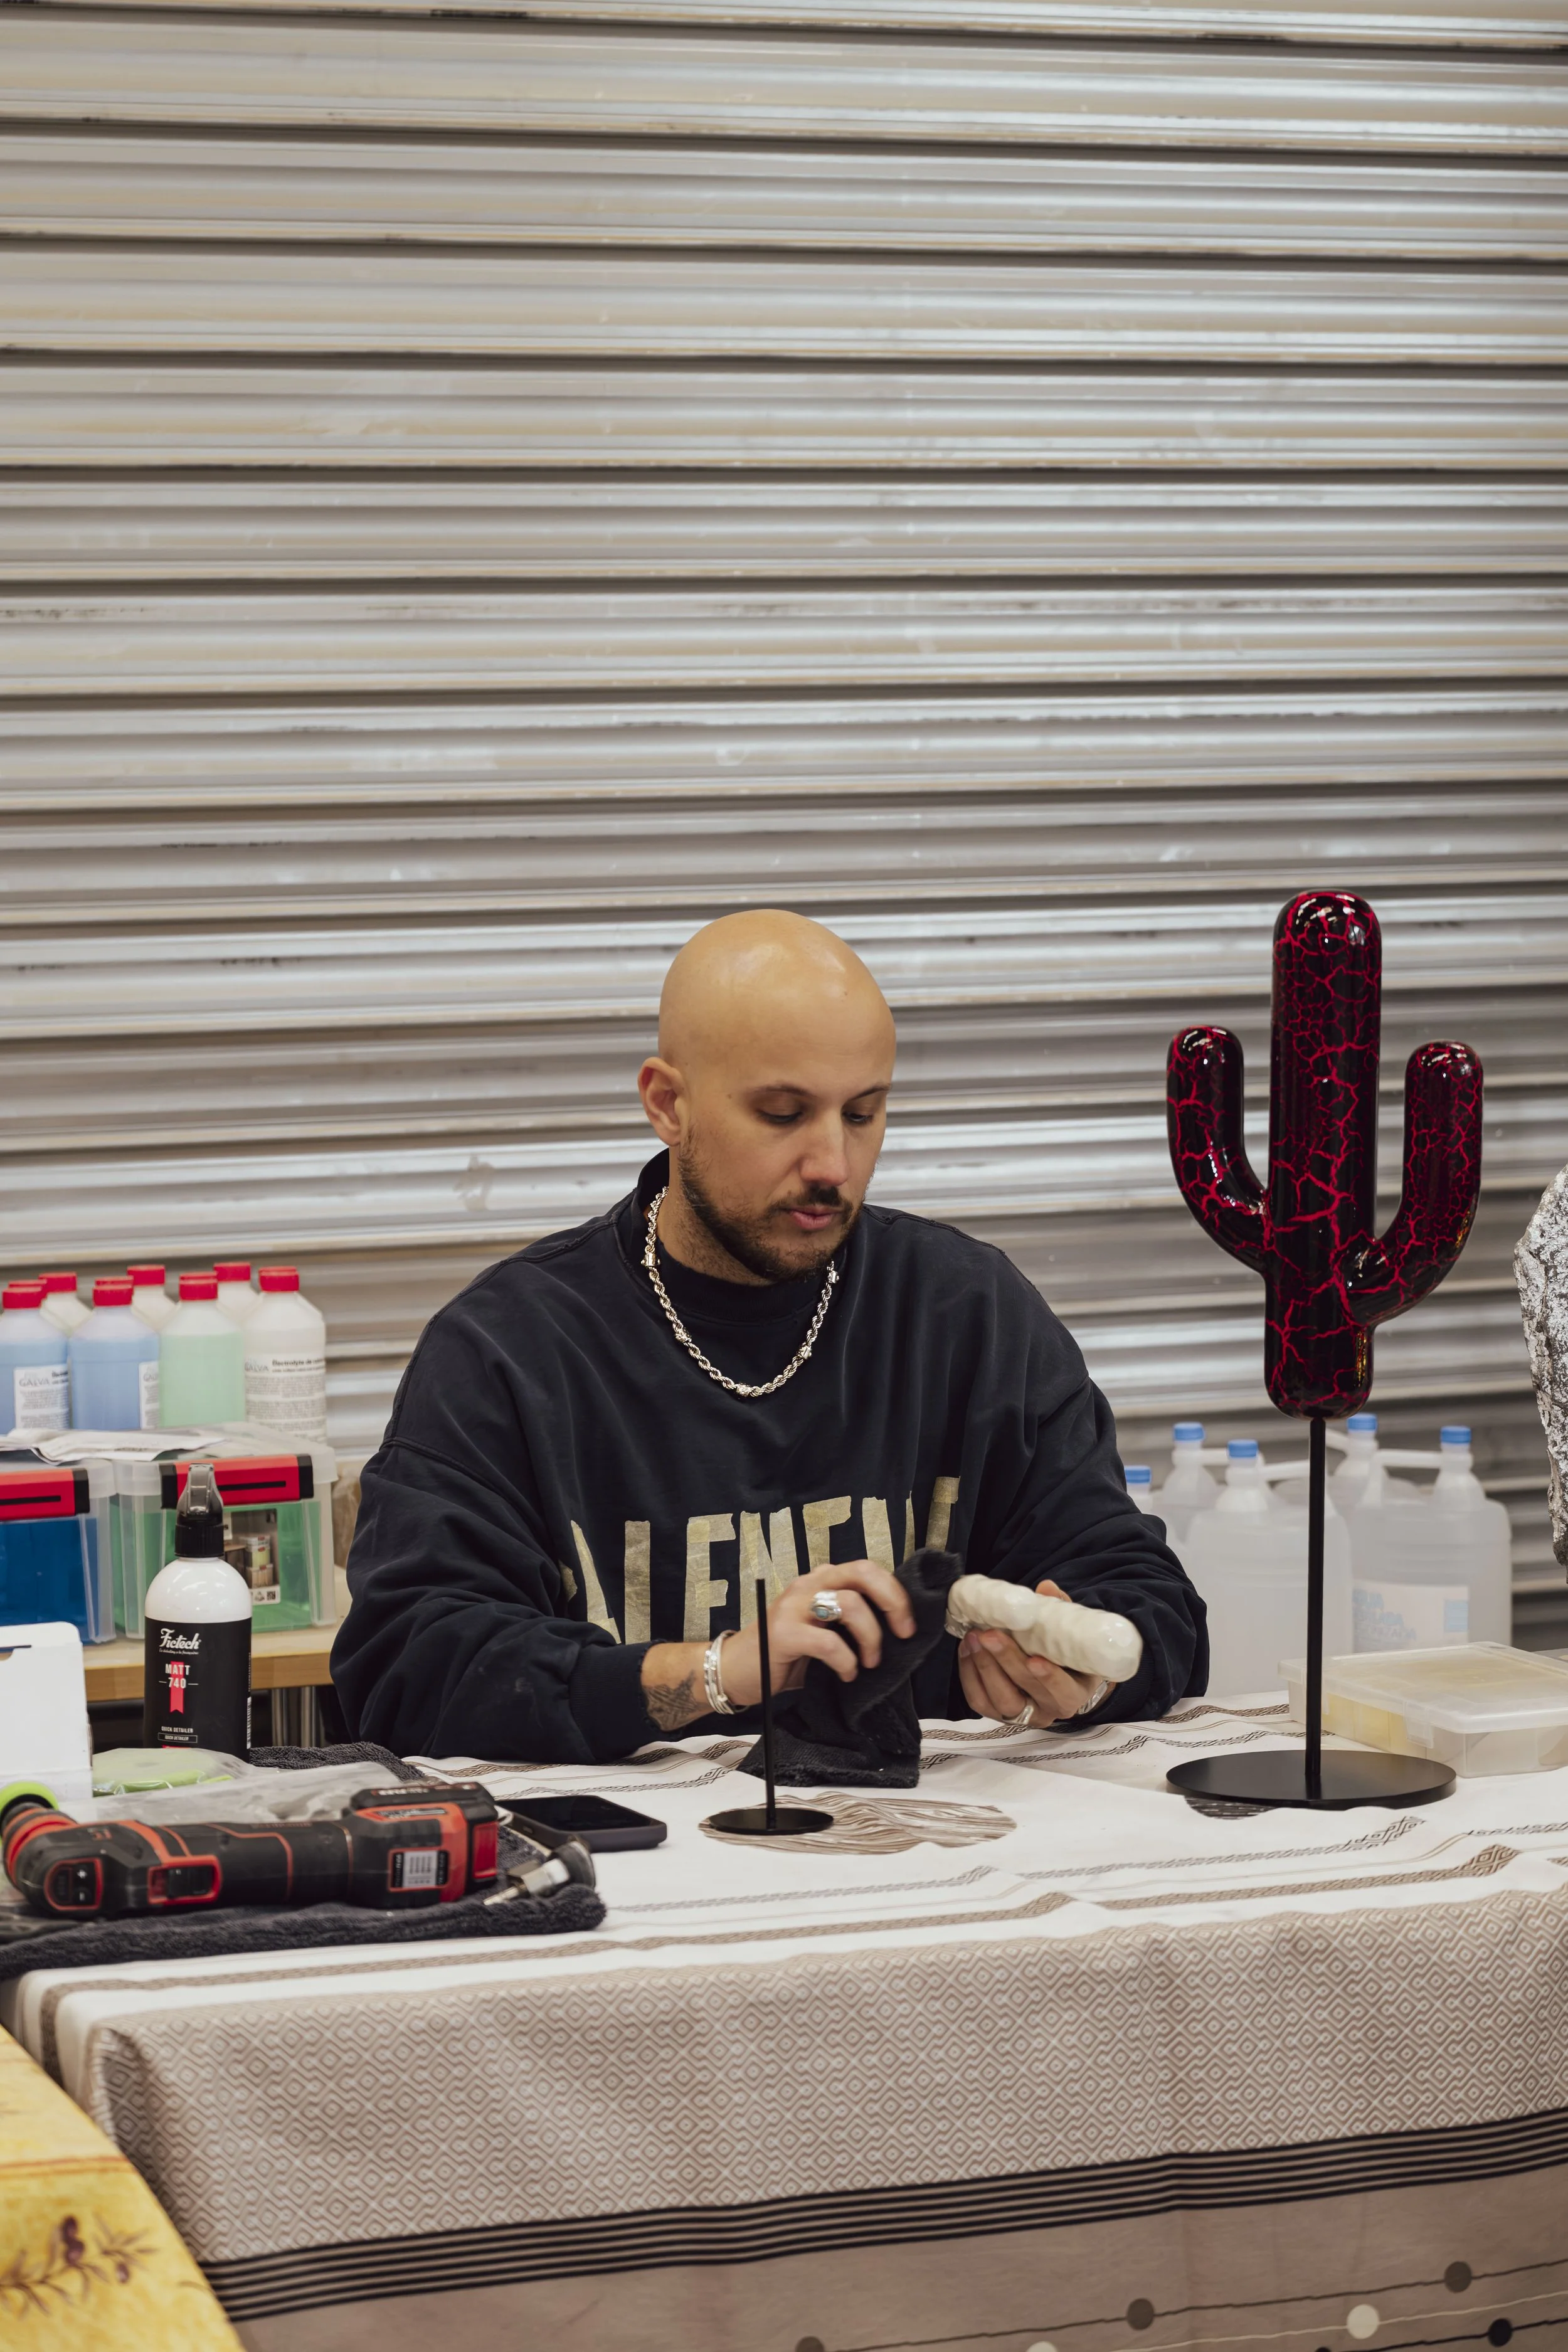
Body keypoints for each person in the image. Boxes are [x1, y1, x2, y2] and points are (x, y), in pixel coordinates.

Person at [333, 911, 1207, 1760]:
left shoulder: (965, 1315)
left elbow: (1153, 1605)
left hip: (933, 1853)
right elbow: (409, 1674)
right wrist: (719, 1672)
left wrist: (1085, 1675)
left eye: (862, 1114)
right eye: (784, 1114)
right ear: (668, 1104)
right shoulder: (511, 1351)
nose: (833, 1163)